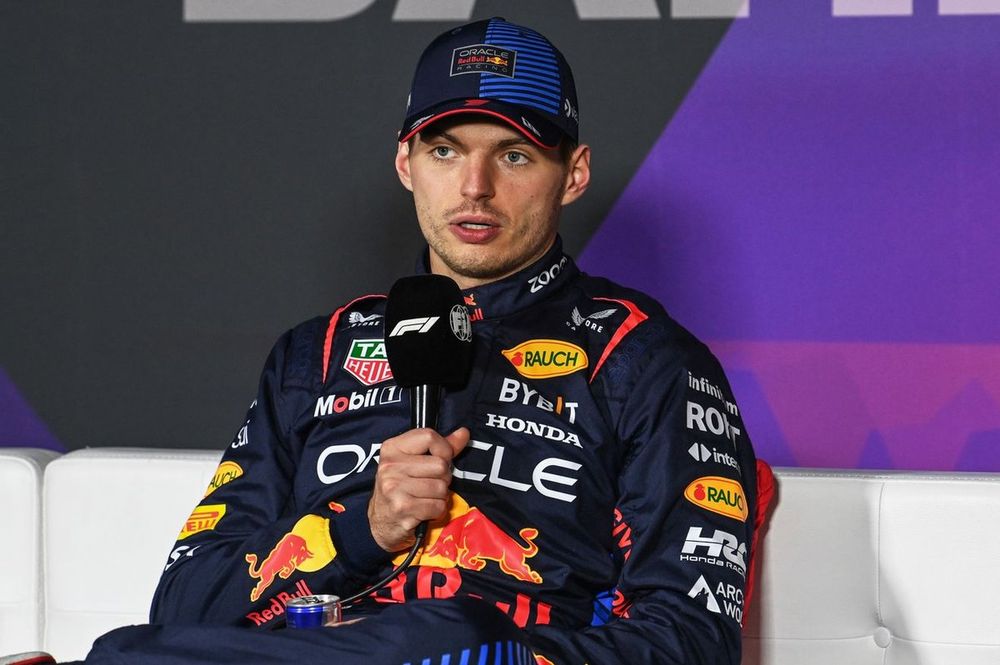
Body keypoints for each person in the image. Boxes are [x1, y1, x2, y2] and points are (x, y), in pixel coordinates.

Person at [9, 17, 762, 665]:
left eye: (514, 155)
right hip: (312, 650)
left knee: (441, 636)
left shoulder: (646, 358)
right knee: (124, 648)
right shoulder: (318, 352)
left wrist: (499, 652)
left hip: (481, 646)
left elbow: (692, 636)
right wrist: (365, 527)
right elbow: (186, 605)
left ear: (573, 174)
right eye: (444, 151)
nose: (474, 186)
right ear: (406, 164)